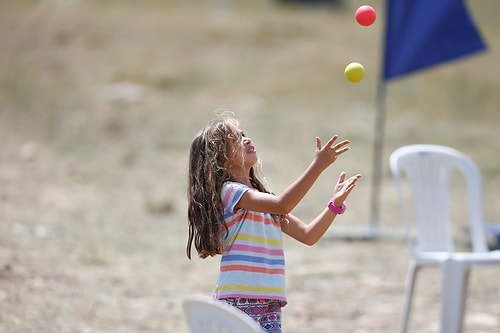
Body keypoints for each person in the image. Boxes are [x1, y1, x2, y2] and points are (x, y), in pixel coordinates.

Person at [186, 114, 361, 333]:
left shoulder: (264, 202)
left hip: (269, 303)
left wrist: (333, 206)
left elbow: (308, 235)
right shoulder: (230, 192)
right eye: (235, 139)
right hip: (238, 302)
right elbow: (283, 204)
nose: (246, 139)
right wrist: (317, 166)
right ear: (220, 158)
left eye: (244, 135)